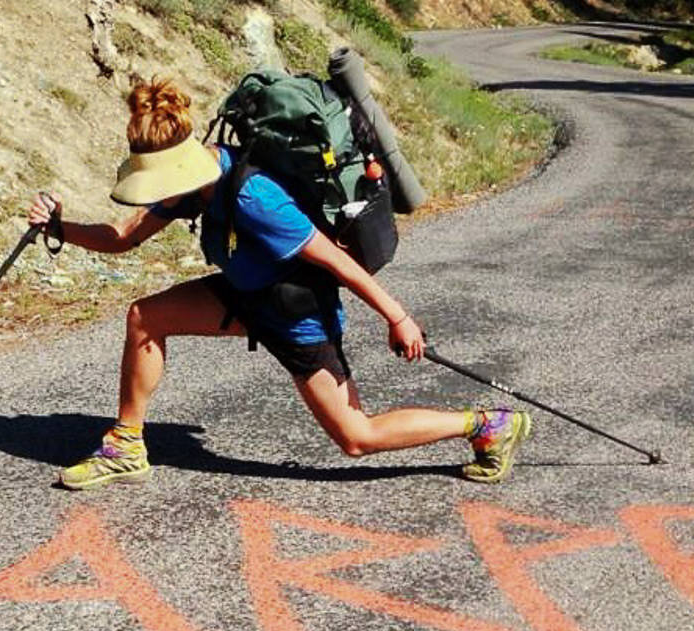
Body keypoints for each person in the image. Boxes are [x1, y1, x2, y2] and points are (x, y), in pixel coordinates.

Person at [27, 77, 531, 491]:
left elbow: (337, 262)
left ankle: (488, 425)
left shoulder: (255, 199)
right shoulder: (184, 185)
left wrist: (397, 318)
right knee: (146, 316)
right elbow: (121, 238)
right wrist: (58, 228)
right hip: (245, 295)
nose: (157, 194)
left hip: (297, 314)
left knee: (356, 437)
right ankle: (126, 444)